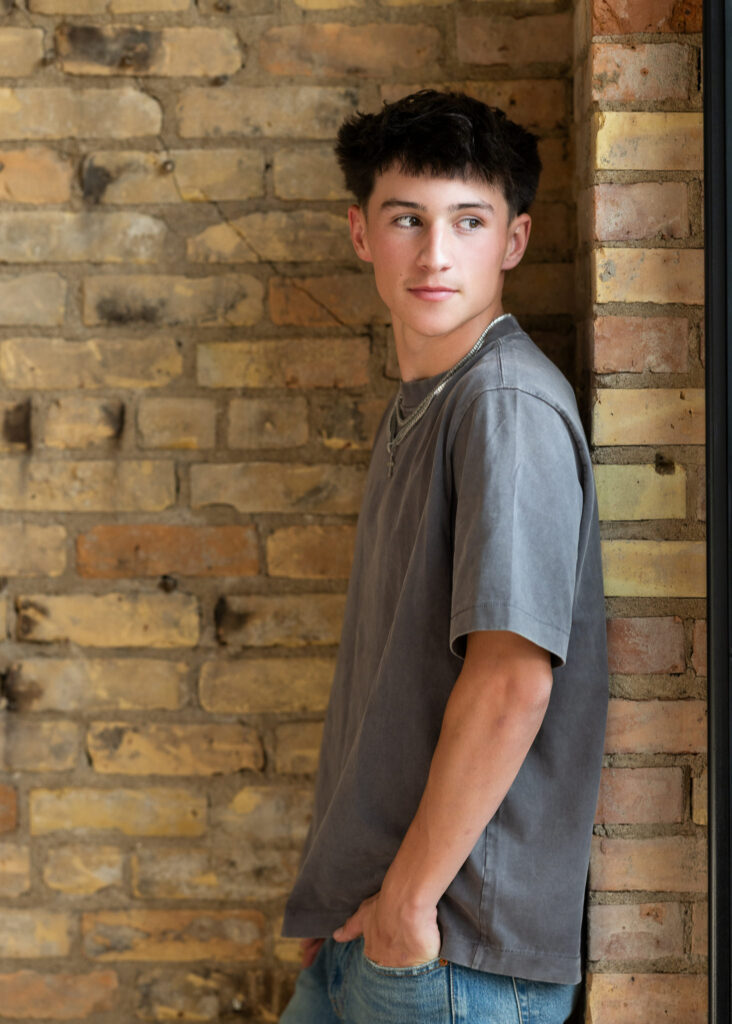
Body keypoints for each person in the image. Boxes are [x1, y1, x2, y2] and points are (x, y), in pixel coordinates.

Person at [279, 89, 608, 1024]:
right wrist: (356, 888)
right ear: (360, 233)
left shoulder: (504, 405)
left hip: (451, 953)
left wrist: (410, 905)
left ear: (513, 240)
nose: (434, 254)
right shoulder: (427, 402)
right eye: (407, 220)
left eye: (469, 221)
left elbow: (513, 681)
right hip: (376, 929)